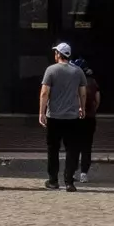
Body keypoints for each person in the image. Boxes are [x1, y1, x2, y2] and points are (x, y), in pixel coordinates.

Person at [39, 41, 86, 191]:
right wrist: (82, 108)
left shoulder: (51, 70)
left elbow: (44, 93)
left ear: (59, 54)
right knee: (72, 149)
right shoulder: (78, 71)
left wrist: (41, 112)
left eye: (56, 52)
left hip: (54, 116)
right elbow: (83, 92)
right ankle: (69, 181)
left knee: (53, 148)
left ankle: (53, 180)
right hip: (72, 117)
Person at [75, 57, 100, 186]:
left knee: (73, 146)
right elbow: (97, 100)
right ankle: (84, 173)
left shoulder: (73, 81)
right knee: (87, 146)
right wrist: (91, 111)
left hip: (75, 118)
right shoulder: (92, 82)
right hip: (89, 118)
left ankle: (71, 172)